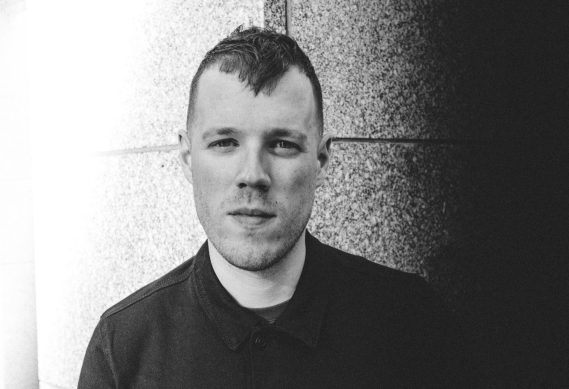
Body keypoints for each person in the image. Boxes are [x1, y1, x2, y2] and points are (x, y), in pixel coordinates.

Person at [78, 26, 466, 388]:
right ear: (187, 157)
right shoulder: (122, 349)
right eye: (224, 143)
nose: (253, 175)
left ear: (321, 160)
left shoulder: (413, 322)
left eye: (282, 144)